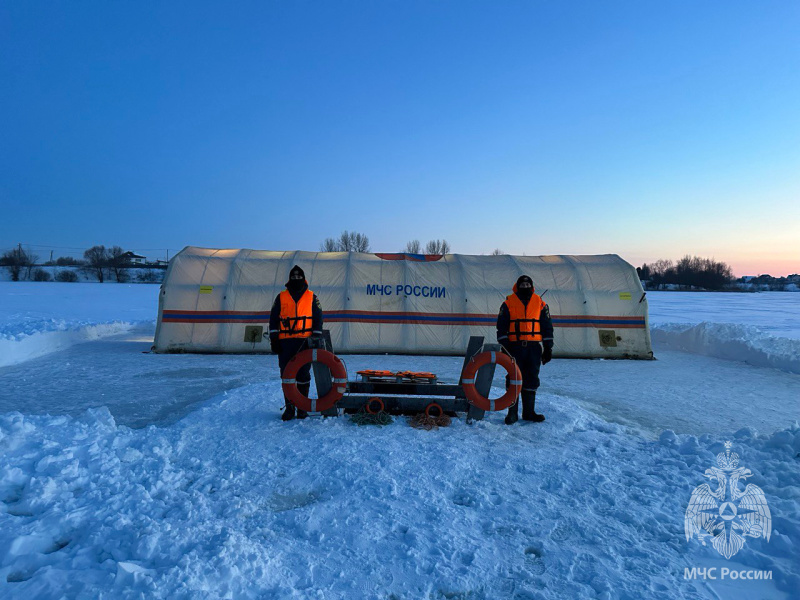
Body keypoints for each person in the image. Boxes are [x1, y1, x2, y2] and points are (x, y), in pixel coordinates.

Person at [496, 275, 554, 424]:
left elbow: (547, 326)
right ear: (517, 286)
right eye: (523, 284)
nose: (525, 286)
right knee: (513, 378)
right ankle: (512, 413)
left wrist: (548, 348)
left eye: (528, 284)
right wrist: (505, 345)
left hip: (534, 348)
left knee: (531, 378)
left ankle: (529, 412)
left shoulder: (540, 303)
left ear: (532, 286)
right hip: (514, 347)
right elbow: (501, 326)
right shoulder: (508, 303)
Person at [269, 265, 323, 421]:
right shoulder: (281, 296)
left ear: (304, 278)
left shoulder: (312, 297)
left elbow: (319, 317)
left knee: (303, 374)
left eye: (299, 277)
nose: (296, 279)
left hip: (304, 341)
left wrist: (316, 336)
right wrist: (274, 339)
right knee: (286, 375)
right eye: (294, 277)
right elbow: (273, 318)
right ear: (289, 278)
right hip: (285, 342)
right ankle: (290, 408)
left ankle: (302, 408)